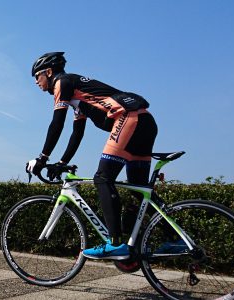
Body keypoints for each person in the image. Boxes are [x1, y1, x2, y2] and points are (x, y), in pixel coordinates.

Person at [25, 52, 157, 260]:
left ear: (49, 72)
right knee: (140, 191)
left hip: (128, 118)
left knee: (103, 178)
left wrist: (41, 158)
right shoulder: (78, 94)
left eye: (37, 76)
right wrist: (61, 162)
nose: (35, 81)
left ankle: (114, 243)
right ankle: (175, 239)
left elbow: (56, 123)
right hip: (145, 122)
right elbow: (77, 133)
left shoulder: (62, 83)